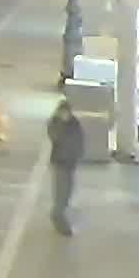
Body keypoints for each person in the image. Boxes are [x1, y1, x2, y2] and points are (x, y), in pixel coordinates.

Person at [46, 97, 86, 236]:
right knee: (61, 193)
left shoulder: (74, 123)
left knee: (68, 191)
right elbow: (54, 136)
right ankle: (59, 217)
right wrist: (60, 123)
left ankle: (60, 214)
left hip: (70, 163)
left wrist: (79, 155)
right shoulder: (55, 123)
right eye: (63, 112)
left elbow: (79, 140)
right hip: (60, 162)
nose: (65, 115)